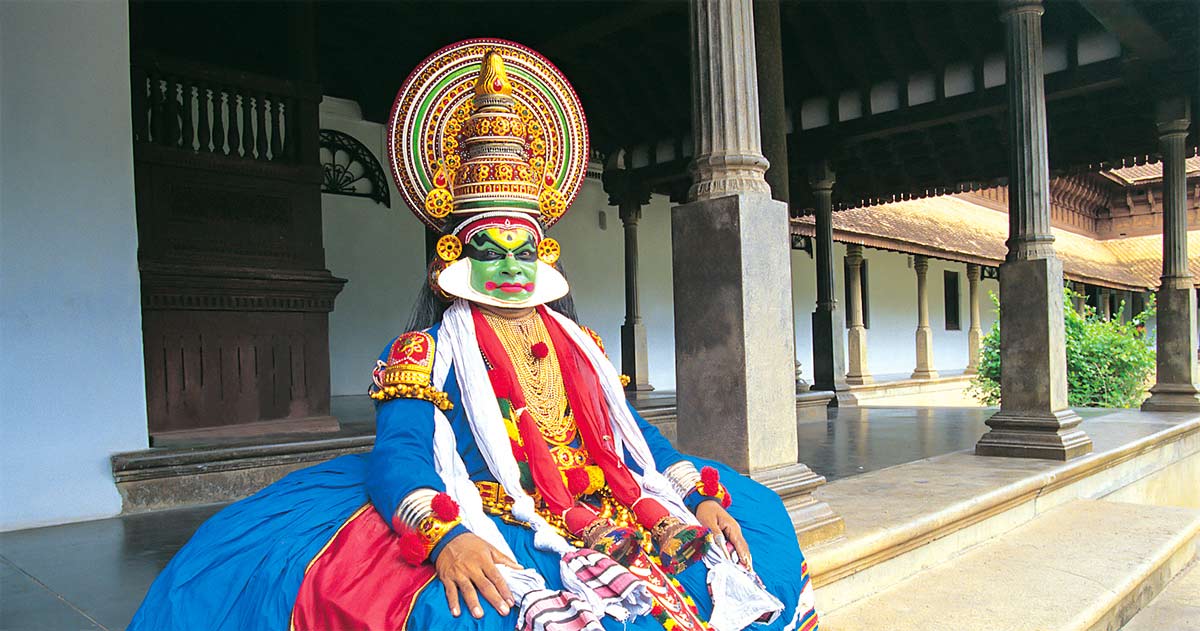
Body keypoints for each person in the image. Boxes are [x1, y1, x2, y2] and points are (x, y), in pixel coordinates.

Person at [129, 39, 819, 631]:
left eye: (525, 248)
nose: (511, 265)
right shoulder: (422, 353)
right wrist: (446, 537)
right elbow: (401, 460)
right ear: (453, 260)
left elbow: (636, 438)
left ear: (546, 254)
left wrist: (693, 495)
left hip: (608, 501)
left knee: (752, 526)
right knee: (473, 609)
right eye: (490, 248)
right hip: (498, 506)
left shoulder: (581, 347)